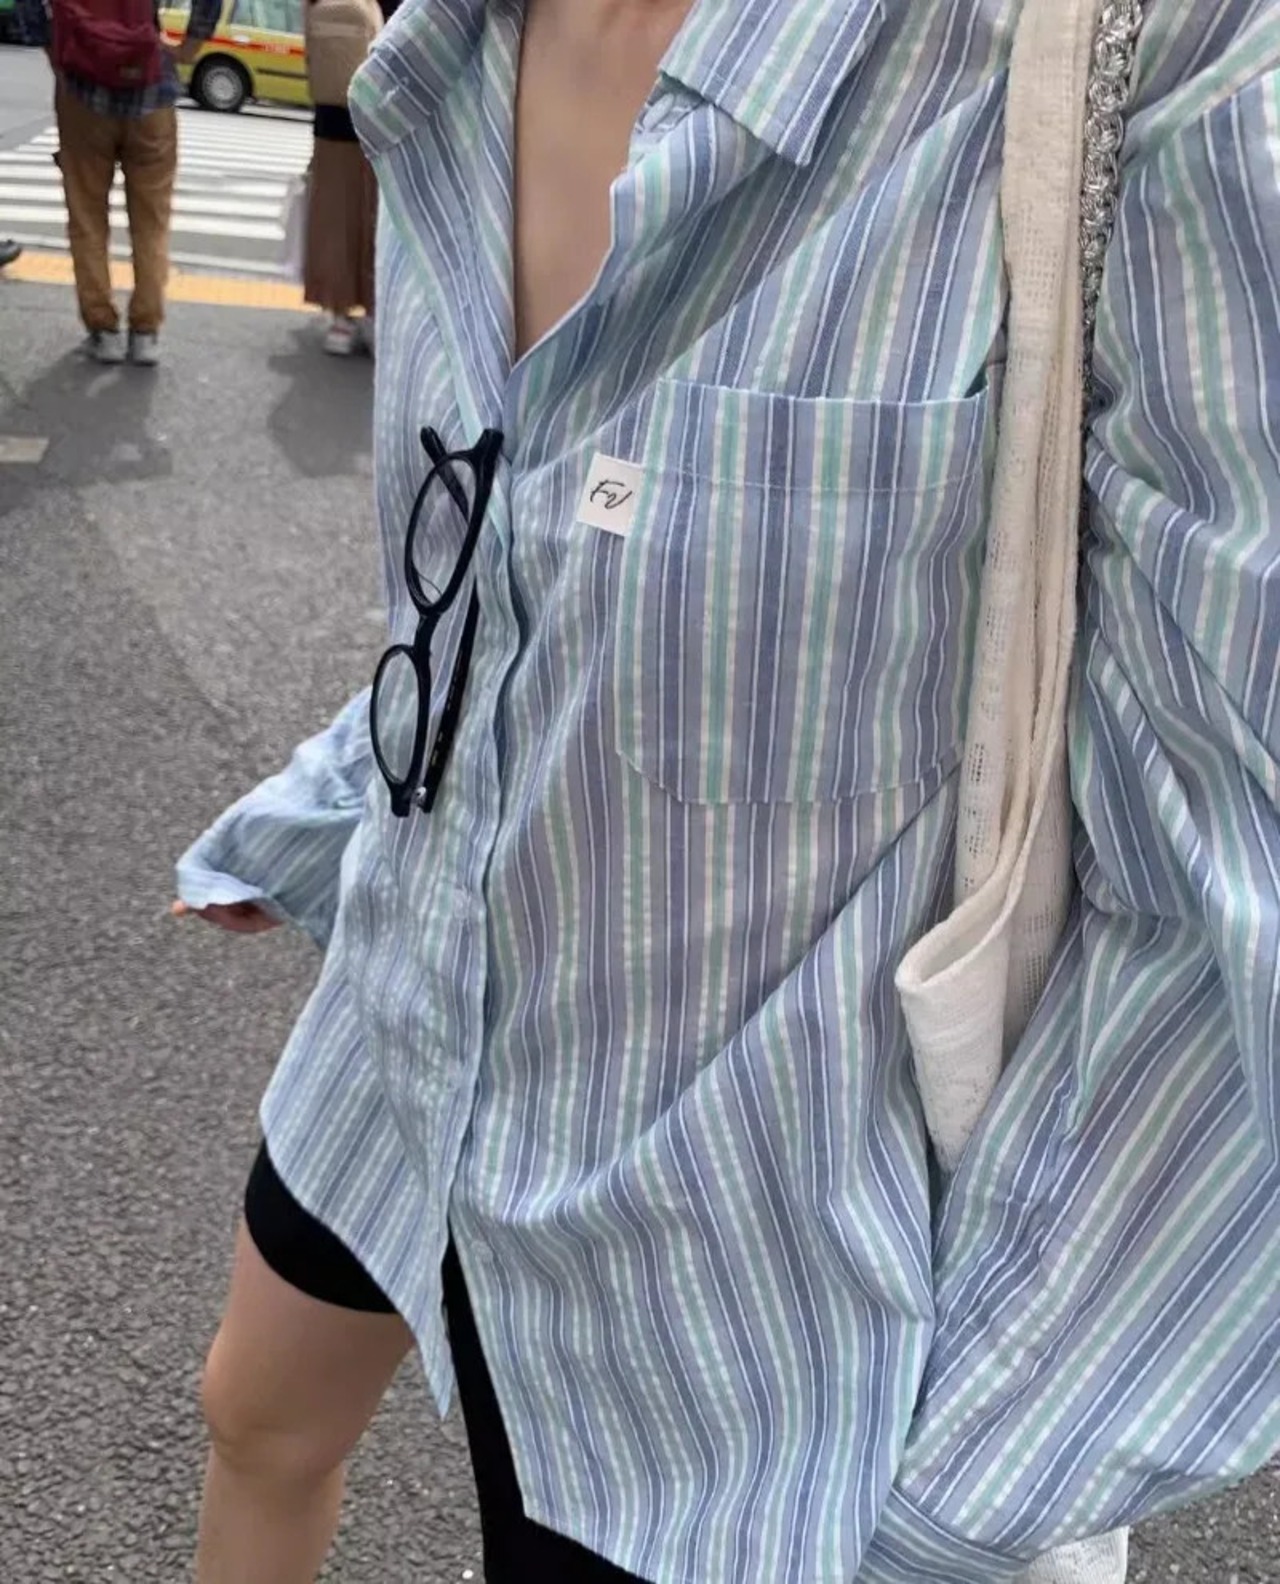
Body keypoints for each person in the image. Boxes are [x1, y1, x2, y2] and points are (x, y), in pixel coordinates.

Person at [175, 2, 1280, 1582]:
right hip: (411, 1021)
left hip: (731, 1282)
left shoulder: (1135, 45)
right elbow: (497, 581)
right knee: (258, 1416)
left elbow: (1239, 875)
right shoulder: (451, 51)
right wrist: (320, 806)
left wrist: (952, 1489)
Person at [14, 0, 220, 366]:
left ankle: (103, 330)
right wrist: (190, 46)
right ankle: (145, 333)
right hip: (151, 85)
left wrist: (55, 53)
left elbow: (28, 6)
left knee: (86, 215)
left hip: (82, 88)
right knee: (152, 221)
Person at [302, 0, 381, 356]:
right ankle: (376, 315)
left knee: (335, 217)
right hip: (387, 117)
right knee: (383, 220)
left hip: (332, 116)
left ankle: (340, 318)